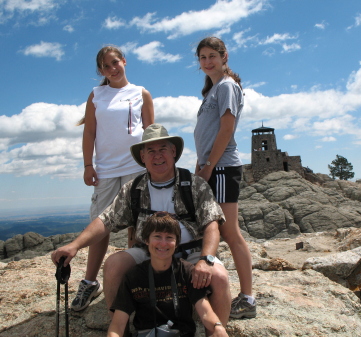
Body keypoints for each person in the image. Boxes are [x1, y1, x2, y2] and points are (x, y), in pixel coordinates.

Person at [51, 124, 231, 329]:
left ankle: (216, 333)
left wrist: (205, 259)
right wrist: (74, 246)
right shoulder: (134, 188)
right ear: (142, 157)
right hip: (147, 252)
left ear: (173, 152)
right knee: (113, 265)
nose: (157, 156)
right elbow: (106, 220)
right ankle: (121, 330)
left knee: (218, 276)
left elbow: (212, 224)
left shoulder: (194, 184)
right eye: (150, 151)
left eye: (163, 149)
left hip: (191, 253)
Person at [72, 45, 155, 312]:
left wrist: (153, 165)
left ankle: (135, 281)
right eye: (106, 66)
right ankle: (89, 282)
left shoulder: (141, 93)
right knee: (100, 227)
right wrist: (88, 164)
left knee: (137, 226)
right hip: (106, 170)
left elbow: (151, 134)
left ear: (124, 61)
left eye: (115, 62)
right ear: (101, 71)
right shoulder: (97, 94)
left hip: (136, 167)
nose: (112, 69)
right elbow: (89, 133)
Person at [194, 36, 255, 319]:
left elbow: (226, 130)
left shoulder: (227, 86)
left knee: (229, 232)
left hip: (222, 168)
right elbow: (208, 133)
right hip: (213, 166)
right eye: (202, 58)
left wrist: (208, 166)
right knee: (217, 228)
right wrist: (200, 163)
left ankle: (247, 299)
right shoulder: (213, 89)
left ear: (224, 56)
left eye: (211, 56)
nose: (207, 62)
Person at [107, 212, 228, 337]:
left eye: (169, 237)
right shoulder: (134, 276)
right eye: (157, 236)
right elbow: (118, 325)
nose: (163, 243)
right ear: (146, 240)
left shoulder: (186, 271)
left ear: (176, 243)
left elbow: (205, 312)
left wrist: (217, 327)